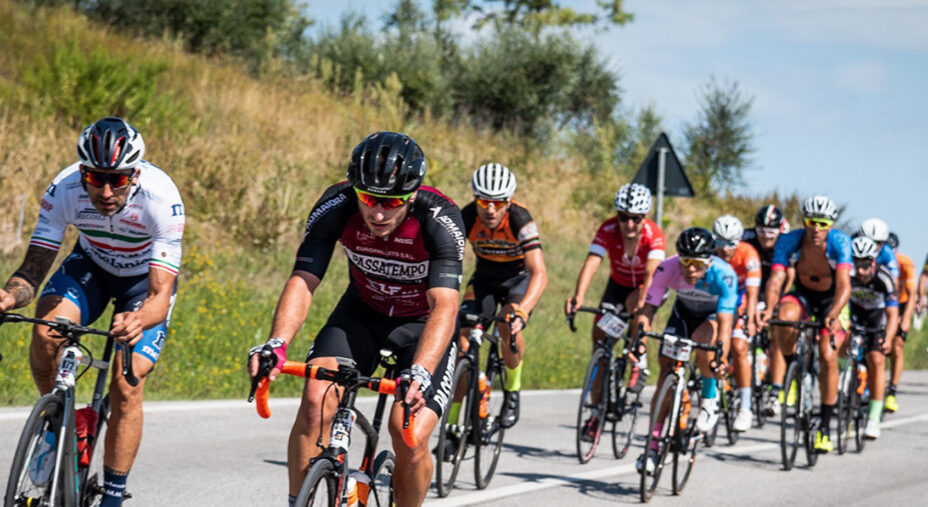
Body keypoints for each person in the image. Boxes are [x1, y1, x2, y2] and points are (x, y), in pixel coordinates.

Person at [247, 131, 464, 507]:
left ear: (412, 194)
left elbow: (445, 304)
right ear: (354, 189)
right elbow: (304, 278)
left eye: (392, 202)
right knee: (316, 399)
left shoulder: (439, 219)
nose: (378, 214)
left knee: (407, 431)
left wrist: (422, 371)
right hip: (361, 313)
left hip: (422, 326)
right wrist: (277, 343)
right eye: (368, 199)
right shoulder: (336, 205)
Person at [0, 117, 184, 506]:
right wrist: (7, 296)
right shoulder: (64, 188)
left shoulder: (162, 199)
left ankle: (113, 496)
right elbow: (33, 271)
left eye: (116, 179)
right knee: (46, 332)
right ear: (82, 170)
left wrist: (138, 319)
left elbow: (159, 294)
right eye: (94, 176)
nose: (103, 190)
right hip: (92, 268)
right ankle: (56, 425)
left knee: (126, 383)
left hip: (141, 285)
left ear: (134, 174)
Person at [565, 183, 666, 441]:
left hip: (647, 286)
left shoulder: (654, 235)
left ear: (645, 217)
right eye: (624, 217)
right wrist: (578, 296)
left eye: (635, 219)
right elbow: (592, 263)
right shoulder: (608, 229)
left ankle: (638, 360)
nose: (629, 224)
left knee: (637, 307)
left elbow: (651, 274)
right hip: (617, 286)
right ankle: (595, 415)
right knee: (600, 339)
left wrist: (641, 308)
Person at [634, 227, 737, 473]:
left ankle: (709, 398)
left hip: (711, 316)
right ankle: (654, 445)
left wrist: (720, 359)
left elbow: (725, 324)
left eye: (697, 263)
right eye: (685, 262)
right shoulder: (667, 268)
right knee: (666, 367)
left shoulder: (724, 275)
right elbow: (648, 310)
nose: (690, 269)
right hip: (683, 313)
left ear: (709, 262)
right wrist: (639, 343)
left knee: (704, 342)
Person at [454, 163, 547, 431]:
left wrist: (523, 311)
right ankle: (451, 425)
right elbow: (446, 257)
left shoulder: (520, 219)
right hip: (484, 280)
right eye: (483, 201)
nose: (490, 209)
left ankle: (513, 390)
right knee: (462, 344)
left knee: (508, 326)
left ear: (509, 200)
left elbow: (539, 272)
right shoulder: (468, 216)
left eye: (498, 202)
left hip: (517, 281)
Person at [758, 195, 852, 454]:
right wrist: (768, 307)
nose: (816, 229)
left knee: (827, 353)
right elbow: (776, 279)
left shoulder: (840, 242)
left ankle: (824, 427)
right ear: (804, 221)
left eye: (823, 223)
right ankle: (794, 368)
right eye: (812, 222)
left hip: (831, 299)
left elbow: (845, 285)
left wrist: (834, 313)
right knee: (783, 319)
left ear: (831, 224)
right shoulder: (790, 240)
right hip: (803, 294)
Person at [712, 215, 762, 432]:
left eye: (730, 243)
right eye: (720, 242)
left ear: (739, 241)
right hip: (717, 296)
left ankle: (745, 406)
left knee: (740, 347)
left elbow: (752, 293)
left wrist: (750, 319)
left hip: (740, 298)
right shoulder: (710, 253)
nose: (724, 249)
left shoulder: (749, 254)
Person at [847, 236, 898, 439]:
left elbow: (893, 314)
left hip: (877, 320)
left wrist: (888, 338)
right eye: (856, 264)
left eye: (865, 265)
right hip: (855, 316)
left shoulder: (884, 278)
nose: (860, 271)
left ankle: (873, 419)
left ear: (873, 262)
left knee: (876, 360)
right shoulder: (847, 275)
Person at [884, 232, 916, 413]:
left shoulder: (905, 263)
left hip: (902, 303)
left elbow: (912, 295)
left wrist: (906, 318)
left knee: (897, 346)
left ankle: (892, 391)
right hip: (884, 303)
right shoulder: (877, 261)